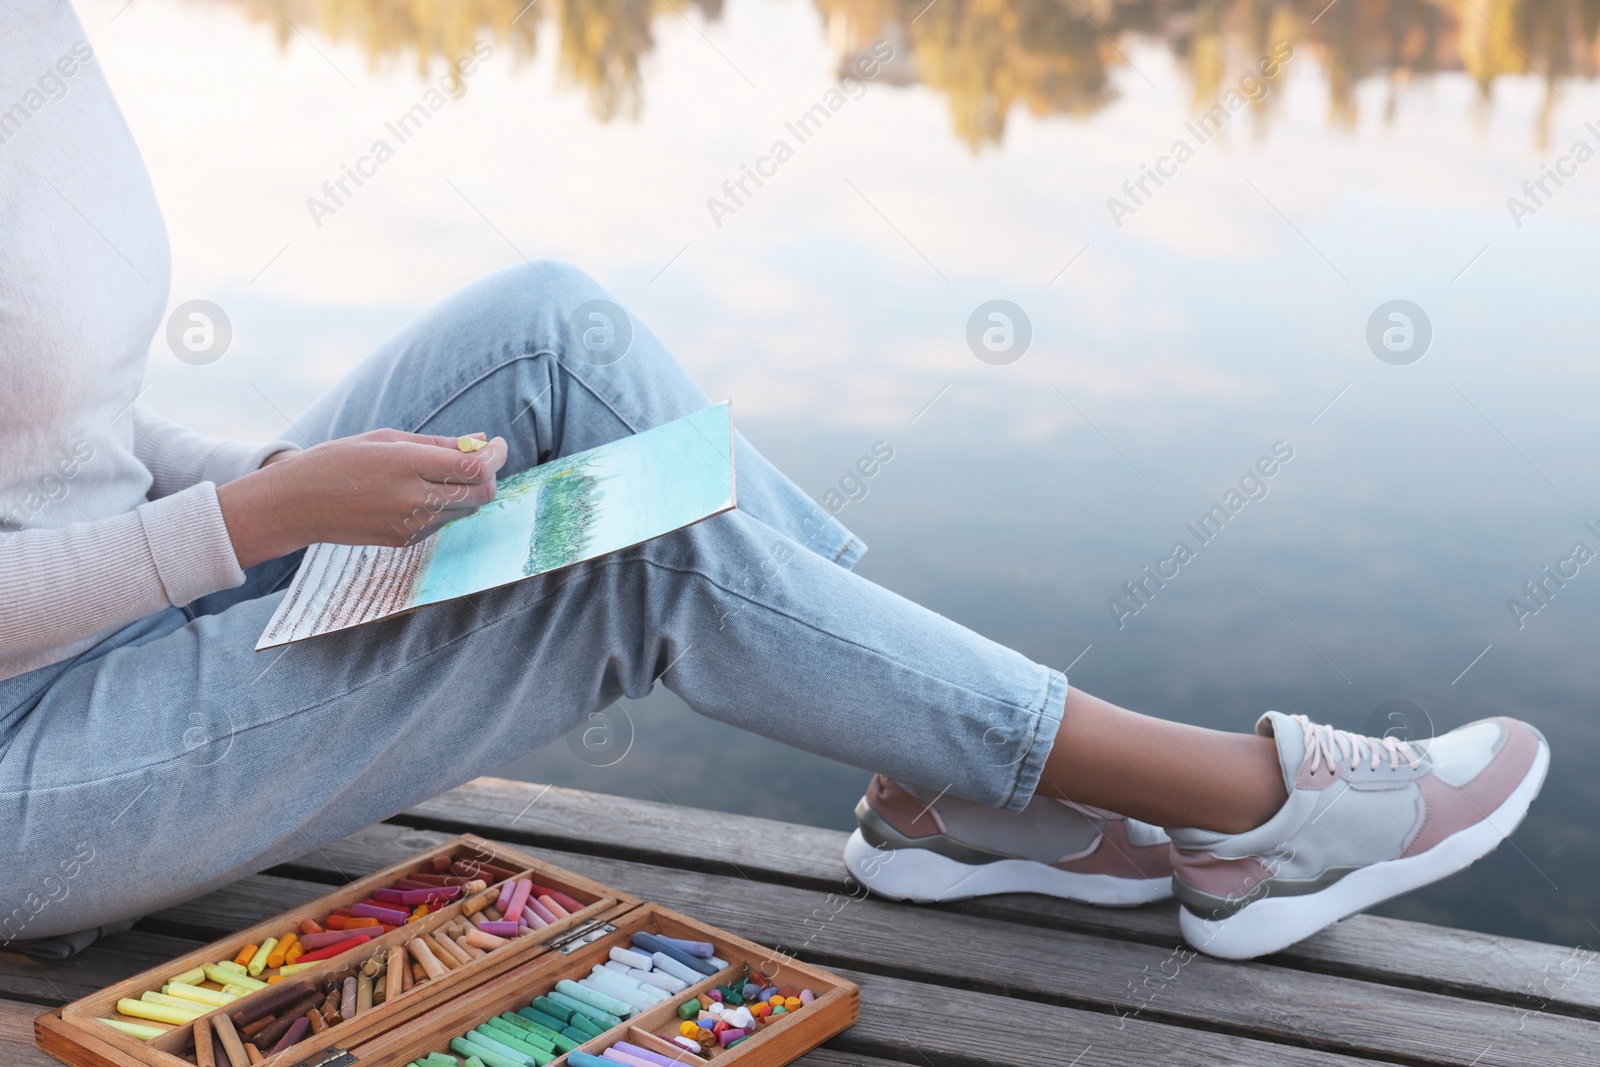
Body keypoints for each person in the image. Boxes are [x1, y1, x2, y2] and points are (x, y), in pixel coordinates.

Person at [0, 0, 1547, 964]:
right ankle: (1248, 806)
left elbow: (66, 429)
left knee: (549, 330)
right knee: (635, 568)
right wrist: (262, 524)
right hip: (21, 773)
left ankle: (958, 791)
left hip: (117, 606)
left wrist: (262, 475)